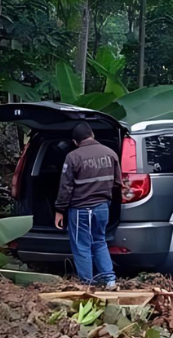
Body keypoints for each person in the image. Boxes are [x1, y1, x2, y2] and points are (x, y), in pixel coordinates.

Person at [55, 122, 120, 289]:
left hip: (80, 210)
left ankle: (87, 284)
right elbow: (117, 183)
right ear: (93, 135)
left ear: (75, 142)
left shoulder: (73, 157)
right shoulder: (110, 153)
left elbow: (65, 187)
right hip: (102, 208)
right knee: (99, 241)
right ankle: (110, 280)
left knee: (81, 246)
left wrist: (60, 209)